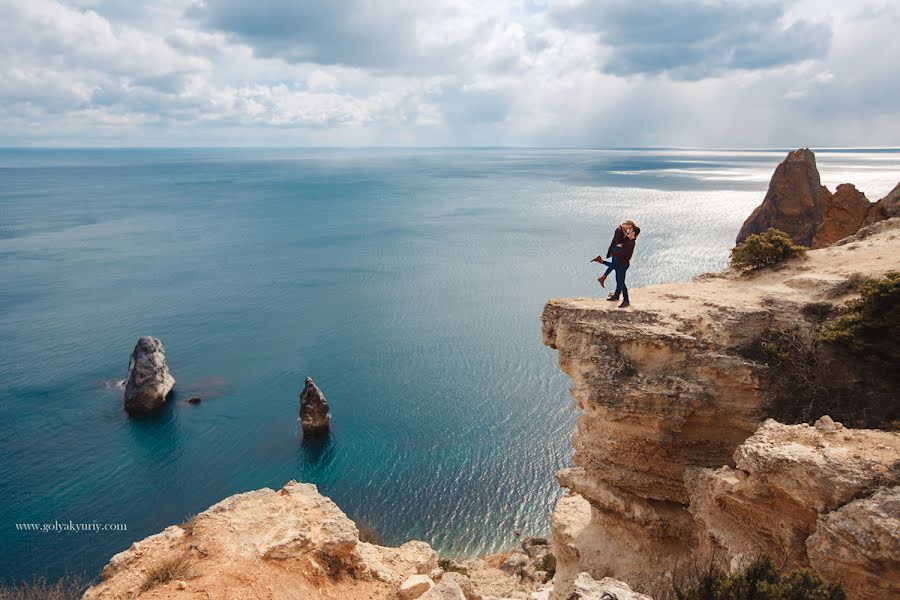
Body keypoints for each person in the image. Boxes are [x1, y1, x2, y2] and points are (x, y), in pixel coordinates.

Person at [591, 220, 635, 287]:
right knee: (615, 266)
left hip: (617, 250)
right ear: (626, 224)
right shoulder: (619, 230)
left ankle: (603, 277)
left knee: (614, 265)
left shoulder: (623, 230)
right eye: (629, 227)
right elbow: (618, 241)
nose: (629, 229)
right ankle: (601, 262)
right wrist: (627, 238)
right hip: (616, 250)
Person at [605, 226, 640, 308]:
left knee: (621, 282)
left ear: (633, 233)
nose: (628, 232)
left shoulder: (631, 243)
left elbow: (622, 253)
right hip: (620, 263)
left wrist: (614, 252)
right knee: (618, 280)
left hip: (623, 264)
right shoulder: (628, 240)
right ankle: (616, 295)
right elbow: (620, 241)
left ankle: (626, 300)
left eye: (630, 231)